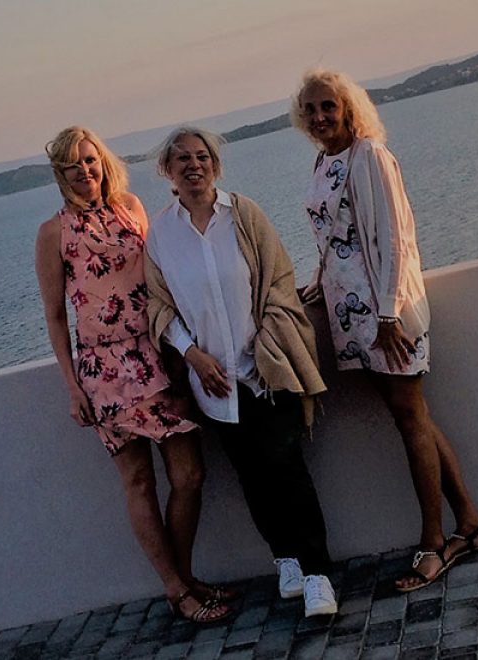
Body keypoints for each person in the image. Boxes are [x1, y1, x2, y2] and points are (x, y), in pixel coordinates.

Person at [290, 69, 478, 593]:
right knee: (410, 415)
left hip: (386, 315)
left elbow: (398, 239)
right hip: (350, 313)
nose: (319, 116)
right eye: (310, 109)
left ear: (348, 107)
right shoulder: (324, 161)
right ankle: (471, 524)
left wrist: (387, 314)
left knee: (410, 417)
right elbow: (335, 236)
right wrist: (319, 281)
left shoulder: (370, 156)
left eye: (328, 106)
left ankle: (434, 543)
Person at [35, 126, 231, 623]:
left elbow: (162, 279)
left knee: (189, 475)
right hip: (104, 371)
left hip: (157, 356)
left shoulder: (131, 208)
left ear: (103, 162)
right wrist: (72, 386)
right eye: (73, 165)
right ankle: (178, 589)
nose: (84, 171)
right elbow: (55, 316)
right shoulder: (54, 232)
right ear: (61, 173)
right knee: (139, 481)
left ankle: (184, 577)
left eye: (90, 160)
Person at [143, 126, 338, 617]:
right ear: (167, 170)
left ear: (215, 164)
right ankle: (285, 559)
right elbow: (160, 307)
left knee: (288, 470)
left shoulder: (244, 215)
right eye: (183, 159)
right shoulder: (161, 234)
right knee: (252, 476)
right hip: (213, 384)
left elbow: (279, 281)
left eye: (202, 156)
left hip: (265, 370)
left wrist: (268, 340)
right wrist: (193, 355)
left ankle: (318, 575)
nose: (194, 165)